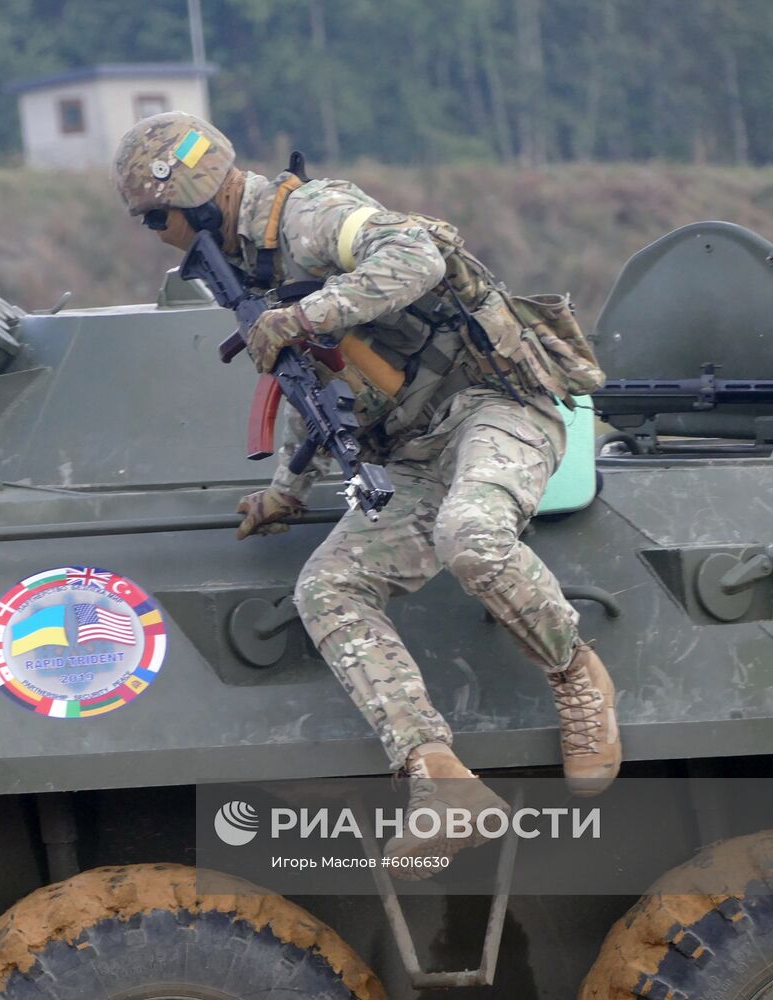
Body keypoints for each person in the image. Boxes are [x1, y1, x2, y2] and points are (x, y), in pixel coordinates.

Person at [113, 111, 621, 872]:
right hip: (412, 450)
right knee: (328, 587)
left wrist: (304, 312)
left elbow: (414, 253)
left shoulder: (314, 218)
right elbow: (313, 383)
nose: (158, 235)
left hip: (496, 407)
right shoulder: (243, 266)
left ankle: (575, 672)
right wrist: (285, 489)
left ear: (188, 204)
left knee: (471, 537)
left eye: (156, 219)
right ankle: (439, 780)